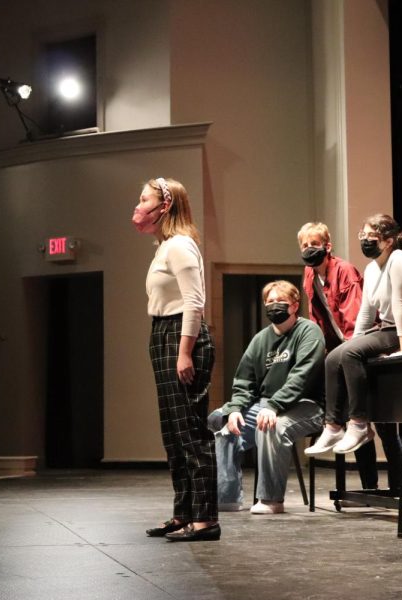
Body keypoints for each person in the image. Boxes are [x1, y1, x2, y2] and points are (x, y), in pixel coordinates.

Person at [305, 214, 402, 457]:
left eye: (371, 237)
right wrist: (349, 346)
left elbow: (400, 307)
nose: (365, 241)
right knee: (335, 357)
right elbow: (365, 315)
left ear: (388, 241)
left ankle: (359, 424)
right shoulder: (372, 268)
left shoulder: (399, 260)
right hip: (389, 328)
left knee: (351, 353)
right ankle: (333, 426)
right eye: (362, 236)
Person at [134, 177, 219, 542]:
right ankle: (183, 513)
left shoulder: (181, 246)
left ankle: (205, 520)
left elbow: (194, 302)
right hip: (163, 335)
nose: (138, 207)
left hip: (182, 337)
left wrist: (184, 352)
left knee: (191, 433)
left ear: (164, 206)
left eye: (143, 200)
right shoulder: (164, 247)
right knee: (174, 434)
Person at [207, 280, 325, 514]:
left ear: (294, 305)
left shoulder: (309, 332)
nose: (275, 306)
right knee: (221, 422)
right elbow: (244, 382)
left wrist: (274, 405)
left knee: (272, 425)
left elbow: (302, 376)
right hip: (265, 404)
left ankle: (271, 500)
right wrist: (235, 410)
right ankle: (226, 497)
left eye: (281, 301)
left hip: (307, 405)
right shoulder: (260, 340)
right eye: (270, 302)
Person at [297, 222, 385, 491]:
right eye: (305, 245)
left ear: (327, 246)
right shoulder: (309, 274)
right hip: (340, 349)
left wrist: (346, 354)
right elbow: (318, 317)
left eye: (315, 244)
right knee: (350, 412)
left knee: (376, 420)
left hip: (360, 344)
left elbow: (355, 318)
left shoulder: (344, 270)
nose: (309, 250)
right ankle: (368, 485)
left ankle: (393, 485)